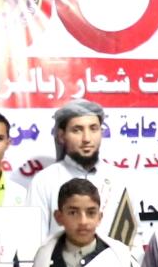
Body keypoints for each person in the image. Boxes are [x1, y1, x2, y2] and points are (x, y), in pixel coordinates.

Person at [25, 99, 138, 246]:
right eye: (77, 130)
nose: (87, 138)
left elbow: (134, 240)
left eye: (93, 129)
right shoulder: (44, 181)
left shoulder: (119, 179)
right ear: (61, 136)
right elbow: (32, 242)